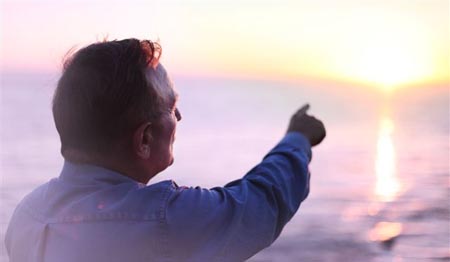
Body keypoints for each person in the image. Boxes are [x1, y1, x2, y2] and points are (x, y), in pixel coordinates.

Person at [5, 39, 326, 262]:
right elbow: (260, 203)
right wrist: (297, 138)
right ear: (144, 139)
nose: (179, 117)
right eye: (172, 107)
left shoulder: (27, 215)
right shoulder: (160, 220)